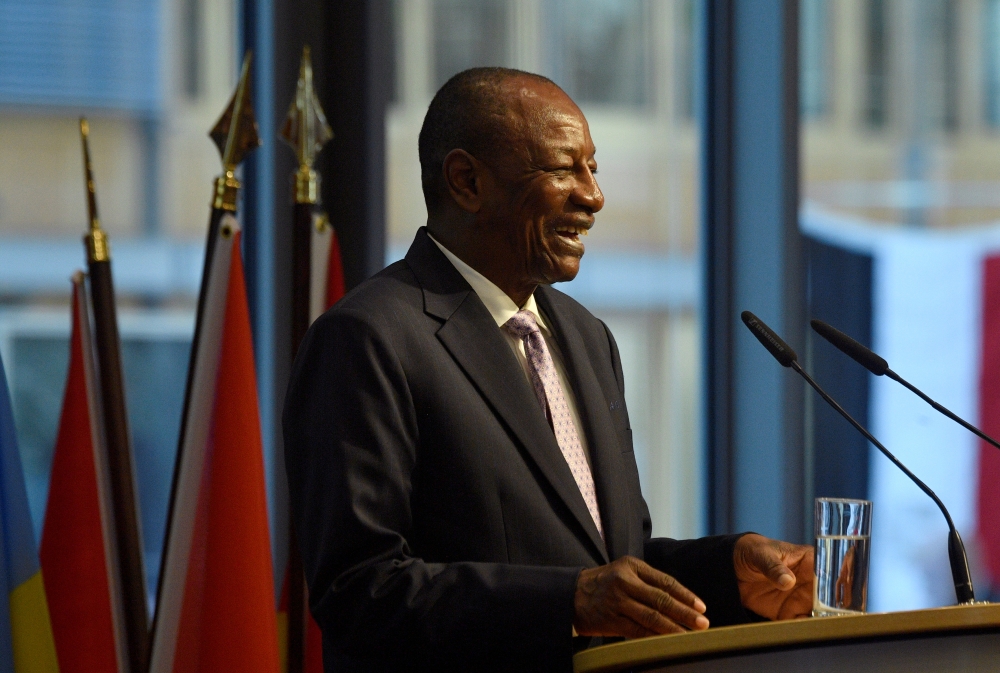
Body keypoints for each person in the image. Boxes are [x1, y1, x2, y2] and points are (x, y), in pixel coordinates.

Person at [283, 67, 814, 672]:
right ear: (467, 181)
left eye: (593, 168)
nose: (593, 196)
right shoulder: (369, 338)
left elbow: (613, 557)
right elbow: (359, 591)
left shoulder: (587, 338)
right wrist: (568, 602)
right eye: (564, 169)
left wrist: (729, 572)